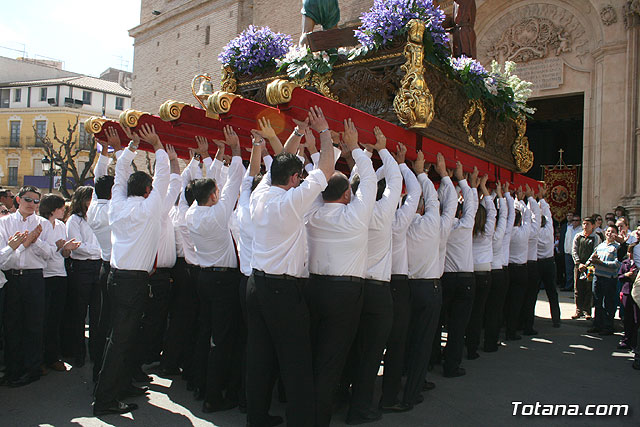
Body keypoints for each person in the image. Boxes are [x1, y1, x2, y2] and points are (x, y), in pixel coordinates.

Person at [247, 106, 334, 427]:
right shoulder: (290, 201)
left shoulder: (261, 192)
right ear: (295, 179)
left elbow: (281, 164)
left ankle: (255, 418)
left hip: (257, 284)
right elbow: (325, 169)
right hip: (283, 291)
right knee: (296, 360)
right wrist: (323, 131)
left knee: (259, 357)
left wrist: (298, 133)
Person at [93, 124, 170, 416]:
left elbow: (121, 176)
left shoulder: (117, 204)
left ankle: (119, 386)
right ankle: (105, 399)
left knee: (121, 336)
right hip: (133, 281)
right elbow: (163, 177)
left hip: (117, 277)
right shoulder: (149, 207)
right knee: (121, 339)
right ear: (148, 190)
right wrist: (159, 145)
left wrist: (130, 148)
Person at [305, 118, 376, 425]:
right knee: (332, 360)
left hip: (314, 289)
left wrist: (327, 150)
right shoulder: (356, 217)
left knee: (316, 353)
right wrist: (355, 151)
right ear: (348, 195)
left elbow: (316, 181)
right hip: (345, 294)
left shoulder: (313, 213)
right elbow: (370, 182)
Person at [186, 125, 244, 413]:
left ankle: (199, 384)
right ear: (212, 197)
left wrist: (215, 157)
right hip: (222, 281)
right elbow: (235, 180)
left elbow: (219, 183)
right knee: (220, 339)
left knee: (204, 329)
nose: (220, 194)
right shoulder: (220, 214)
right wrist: (235, 150)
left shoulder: (191, 213)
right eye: (217, 192)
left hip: (204, 277)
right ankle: (213, 396)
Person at [346, 126, 402, 424]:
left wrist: (365, 152)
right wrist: (382, 149)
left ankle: (344, 399)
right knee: (370, 356)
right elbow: (396, 179)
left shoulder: (350, 210)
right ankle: (360, 409)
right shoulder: (381, 213)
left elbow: (359, 182)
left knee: (352, 349)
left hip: (353, 289)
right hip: (378, 293)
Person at [403, 152, 456, 407]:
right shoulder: (433, 224)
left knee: (406, 337)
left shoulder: (400, 224)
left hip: (406, 287)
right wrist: (431, 173)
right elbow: (441, 202)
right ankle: (412, 391)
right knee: (422, 341)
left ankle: (404, 379)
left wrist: (406, 168)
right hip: (429, 288)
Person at [0, 186, 58, 387]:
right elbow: (3, 259)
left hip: (34, 277)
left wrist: (34, 242)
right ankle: (13, 368)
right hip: (12, 277)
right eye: (28, 200)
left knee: (34, 324)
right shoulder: (4, 222)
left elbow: (50, 253)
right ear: (17, 199)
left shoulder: (43, 224)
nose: (32, 205)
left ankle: (32, 368)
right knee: (12, 324)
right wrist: (21, 245)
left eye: (36, 201)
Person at [379, 143, 422, 413]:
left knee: (369, 343)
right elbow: (415, 191)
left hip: (374, 283)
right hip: (397, 284)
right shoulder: (397, 222)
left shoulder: (366, 214)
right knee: (396, 344)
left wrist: (386, 168)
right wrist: (402, 164)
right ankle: (390, 397)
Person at [87, 128, 123, 382]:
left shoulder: (94, 207)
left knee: (101, 320)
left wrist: (105, 153)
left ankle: (98, 366)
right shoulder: (113, 210)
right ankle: (109, 373)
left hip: (102, 264)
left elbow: (99, 178)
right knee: (114, 324)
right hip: (114, 268)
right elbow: (119, 180)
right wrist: (119, 152)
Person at [440, 165, 478, 376]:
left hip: (445, 278)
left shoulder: (441, 226)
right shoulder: (464, 227)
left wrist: (451, 184)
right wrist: (464, 182)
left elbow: (444, 204)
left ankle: (433, 358)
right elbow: (472, 205)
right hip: (464, 280)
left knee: (437, 322)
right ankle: (451, 365)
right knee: (457, 326)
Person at [39, 194, 80, 373]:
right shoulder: (41, 225)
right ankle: (41, 358)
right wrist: (57, 247)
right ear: (52, 208)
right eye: (61, 207)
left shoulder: (62, 225)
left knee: (56, 319)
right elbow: (40, 251)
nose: (64, 210)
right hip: (44, 275)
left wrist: (67, 249)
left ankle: (53, 356)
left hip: (60, 274)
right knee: (43, 319)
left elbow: (63, 253)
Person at [66, 186, 103, 369]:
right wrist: (98, 250)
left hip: (98, 266)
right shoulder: (75, 220)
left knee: (97, 313)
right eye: (89, 199)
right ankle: (78, 353)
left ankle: (96, 352)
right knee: (79, 313)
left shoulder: (97, 218)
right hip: (82, 267)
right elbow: (78, 246)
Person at [466, 174, 495, 359]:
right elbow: (493, 212)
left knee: (466, 313)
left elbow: (471, 210)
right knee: (478, 312)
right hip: (484, 273)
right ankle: (472, 348)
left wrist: (473, 189)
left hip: (470, 272)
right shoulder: (489, 230)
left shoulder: (466, 227)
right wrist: (483, 188)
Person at [483, 182, 510, 352]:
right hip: (497, 273)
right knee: (494, 309)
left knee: (480, 310)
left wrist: (488, 194)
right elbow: (506, 216)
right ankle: (490, 343)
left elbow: (482, 212)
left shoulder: (475, 232)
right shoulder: (498, 233)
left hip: (483, 271)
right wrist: (501, 195)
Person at [505, 186, 532, 341]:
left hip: (508, 268)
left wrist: (513, 201)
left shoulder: (506, 232)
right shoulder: (524, 232)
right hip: (521, 270)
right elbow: (528, 216)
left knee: (506, 301)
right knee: (516, 302)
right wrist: (521, 200)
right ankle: (511, 330)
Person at [588, 224, 621, 335]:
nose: (609, 233)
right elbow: (592, 257)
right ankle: (597, 324)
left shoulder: (617, 247)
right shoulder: (601, 245)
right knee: (597, 301)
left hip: (609, 278)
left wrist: (602, 263)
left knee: (608, 303)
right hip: (598, 276)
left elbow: (617, 264)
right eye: (608, 231)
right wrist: (588, 263)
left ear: (616, 234)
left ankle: (608, 326)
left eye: (612, 232)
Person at [537, 191, 561, 327]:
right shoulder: (549, 230)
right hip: (549, 262)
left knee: (532, 293)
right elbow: (548, 214)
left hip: (538, 263)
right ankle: (556, 320)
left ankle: (528, 320)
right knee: (552, 292)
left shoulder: (533, 232)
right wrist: (542, 199)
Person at [571, 217, 601, 320]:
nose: (585, 226)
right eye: (584, 224)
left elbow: (595, 251)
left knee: (589, 287)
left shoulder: (595, 237)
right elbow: (574, 250)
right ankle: (578, 309)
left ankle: (587, 310)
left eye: (587, 224)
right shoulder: (578, 236)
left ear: (592, 225)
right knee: (578, 288)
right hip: (578, 266)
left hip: (590, 267)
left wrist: (587, 264)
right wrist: (578, 263)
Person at [521, 185, 541, 336]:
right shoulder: (531, 231)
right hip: (530, 266)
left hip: (513, 266)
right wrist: (530, 198)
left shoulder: (509, 232)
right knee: (529, 299)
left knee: (515, 299)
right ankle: (527, 325)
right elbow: (536, 217)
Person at [618, 243, 639, 349]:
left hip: (636, 293)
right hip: (626, 292)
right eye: (629, 252)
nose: (630, 254)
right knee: (627, 317)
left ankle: (635, 341)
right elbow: (619, 277)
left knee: (636, 319)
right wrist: (626, 275)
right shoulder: (625, 263)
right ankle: (626, 339)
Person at [562, 214, 582, 291]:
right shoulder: (569, 228)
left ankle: (576, 287)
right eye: (573, 220)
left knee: (577, 271)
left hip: (577, 253)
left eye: (576, 220)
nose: (575, 222)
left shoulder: (581, 230)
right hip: (568, 252)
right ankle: (568, 286)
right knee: (568, 271)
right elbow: (566, 240)